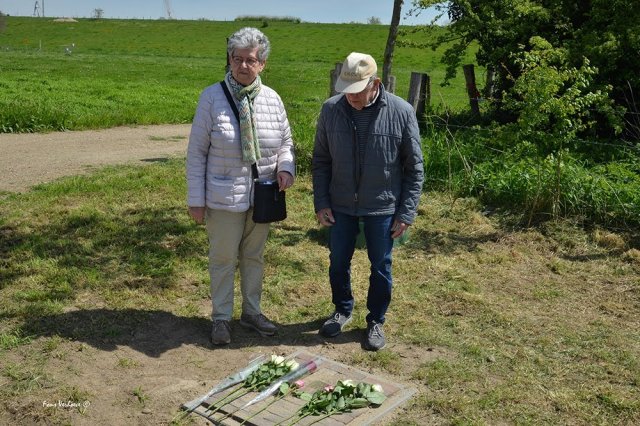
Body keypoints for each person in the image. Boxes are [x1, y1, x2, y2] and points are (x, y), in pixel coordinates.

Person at [186, 27, 295, 345]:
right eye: (237, 59)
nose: (244, 66)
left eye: (251, 60)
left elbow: (286, 142)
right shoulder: (212, 97)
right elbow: (196, 153)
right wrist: (196, 199)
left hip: (263, 196)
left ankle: (251, 312)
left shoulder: (273, 99)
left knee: (254, 257)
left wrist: (286, 168)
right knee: (222, 259)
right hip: (222, 197)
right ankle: (221, 318)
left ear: (262, 63)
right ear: (229, 61)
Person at [312, 52, 424, 351]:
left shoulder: (401, 112)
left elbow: (414, 168)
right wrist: (321, 201)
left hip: (383, 205)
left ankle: (375, 320)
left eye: (358, 91)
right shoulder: (330, 110)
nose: (351, 97)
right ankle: (342, 308)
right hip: (340, 205)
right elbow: (321, 161)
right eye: (346, 91)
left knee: (381, 267)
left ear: (375, 83)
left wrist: (406, 211)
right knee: (337, 262)